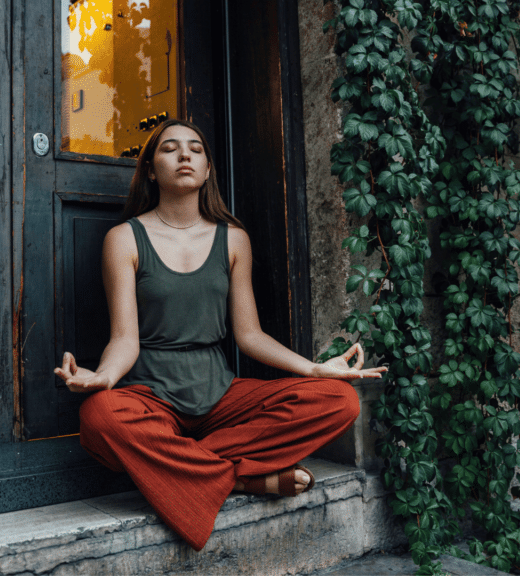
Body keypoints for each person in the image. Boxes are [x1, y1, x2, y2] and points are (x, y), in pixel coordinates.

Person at [54, 119, 387, 551]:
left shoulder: (233, 240)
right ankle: (243, 476)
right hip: (150, 396)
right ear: (152, 170)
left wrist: (314, 368)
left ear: (208, 169)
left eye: (195, 148)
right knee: (98, 418)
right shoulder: (124, 239)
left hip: (218, 392)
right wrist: (104, 377)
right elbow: (125, 339)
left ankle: (185, 469)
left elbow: (248, 335)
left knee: (338, 400)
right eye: (170, 149)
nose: (184, 155)